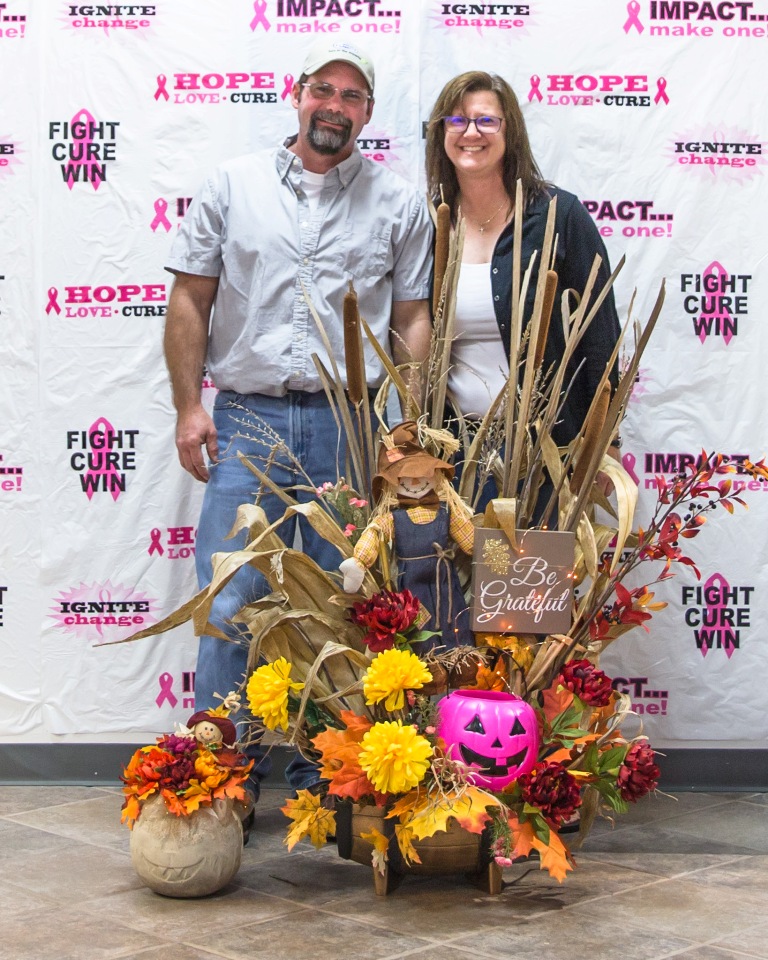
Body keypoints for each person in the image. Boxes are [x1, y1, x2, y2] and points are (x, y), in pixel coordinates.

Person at [163, 39, 433, 808]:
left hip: (350, 426)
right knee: (229, 598)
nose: (334, 107)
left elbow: (411, 318)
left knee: (339, 602)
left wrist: (407, 424)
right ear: (297, 93)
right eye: (324, 90)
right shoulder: (232, 186)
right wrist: (189, 407)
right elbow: (190, 300)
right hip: (246, 421)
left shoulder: (398, 204)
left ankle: (328, 783)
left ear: (368, 113)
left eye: (352, 97)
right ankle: (221, 779)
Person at [425, 71, 621, 515]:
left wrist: (605, 443)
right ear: (440, 133)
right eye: (456, 120)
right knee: (454, 563)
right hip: (453, 453)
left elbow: (600, 337)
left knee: (534, 563)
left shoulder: (559, 215)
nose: (470, 132)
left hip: (545, 452)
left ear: (509, 130)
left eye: (486, 121)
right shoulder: (433, 223)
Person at [339, 420, 475, 648]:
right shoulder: (393, 519)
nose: (415, 481)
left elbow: (471, 542)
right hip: (412, 583)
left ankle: (460, 653)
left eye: (422, 474)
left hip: (444, 578)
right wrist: (359, 561)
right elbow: (375, 532)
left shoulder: (446, 513)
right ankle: (426, 657)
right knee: (418, 620)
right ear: (393, 483)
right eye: (406, 477)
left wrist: (490, 553)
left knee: (452, 614)